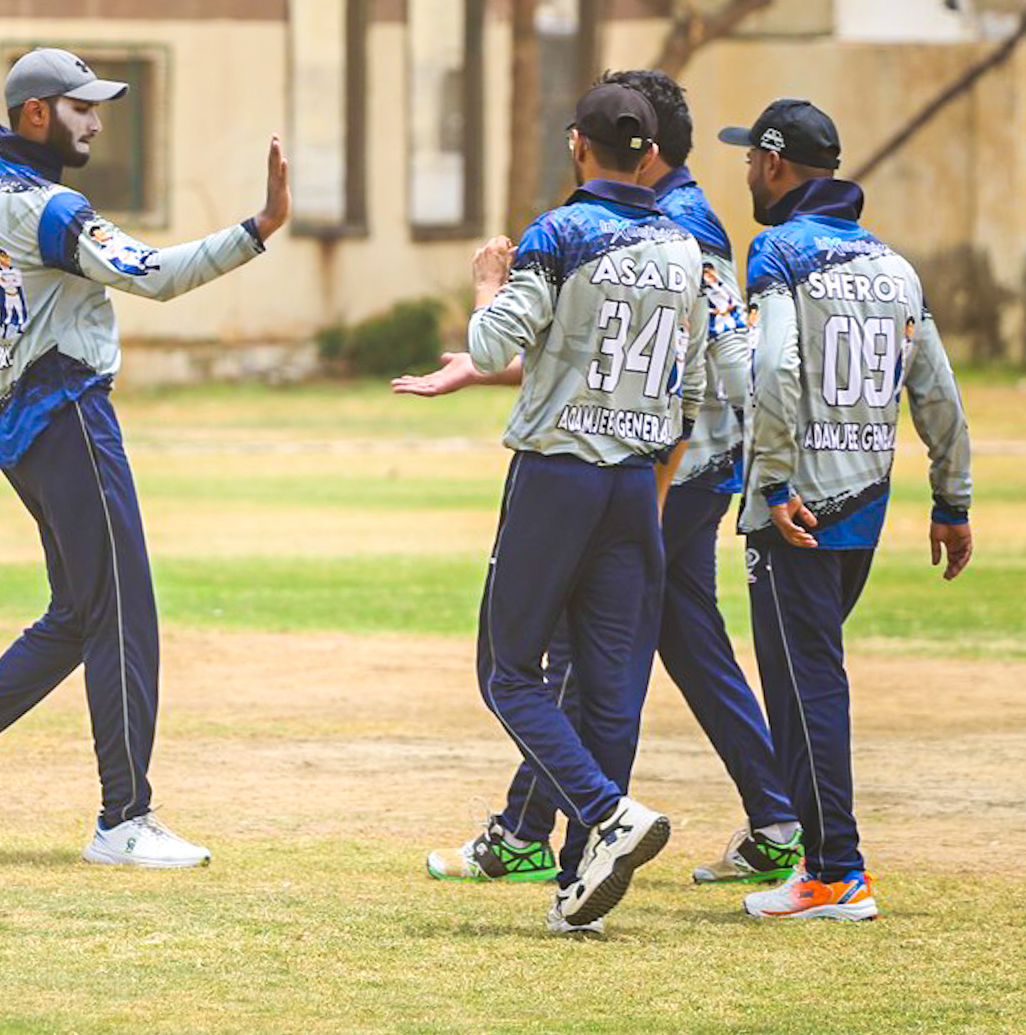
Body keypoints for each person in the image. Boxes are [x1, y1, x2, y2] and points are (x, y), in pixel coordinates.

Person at [0, 46, 290, 870]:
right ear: (37, 114)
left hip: (17, 426)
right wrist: (259, 229)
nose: (97, 124)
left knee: (78, 614)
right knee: (124, 613)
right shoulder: (52, 208)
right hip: (67, 415)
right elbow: (155, 276)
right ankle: (123, 819)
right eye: (82, 108)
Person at [401, 70, 801, 888]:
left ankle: (564, 823)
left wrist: (487, 300)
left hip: (634, 470)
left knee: (551, 660)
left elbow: (686, 361)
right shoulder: (677, 231)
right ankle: (761, 819)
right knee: (666, 649)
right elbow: (654, 366)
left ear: (591, 145)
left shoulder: (644, 227)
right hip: (658, 460)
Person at [717, 99, 973, 921]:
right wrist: (952, 498)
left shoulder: (779, 250)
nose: (747, 174)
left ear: (774, 163)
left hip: (796, 514)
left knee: (807, 696)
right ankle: (823, 862)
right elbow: (937, 389)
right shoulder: (894, 266)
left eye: (750, 160)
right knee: (809, 689)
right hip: (863, 508)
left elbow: (775, 369)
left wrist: (774, 485)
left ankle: (835, 872)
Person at [463, 82, 707, 934]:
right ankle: (580, 885)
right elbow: (696, 388)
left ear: (577, 144)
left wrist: (489, 283)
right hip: (636, 481)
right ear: (649, 154)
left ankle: (608, 814)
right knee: (610, 692)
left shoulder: (561, 232)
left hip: (558, 473)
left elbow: (492, 344)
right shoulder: (684, 247)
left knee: (508, 671)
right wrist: (655, 487)